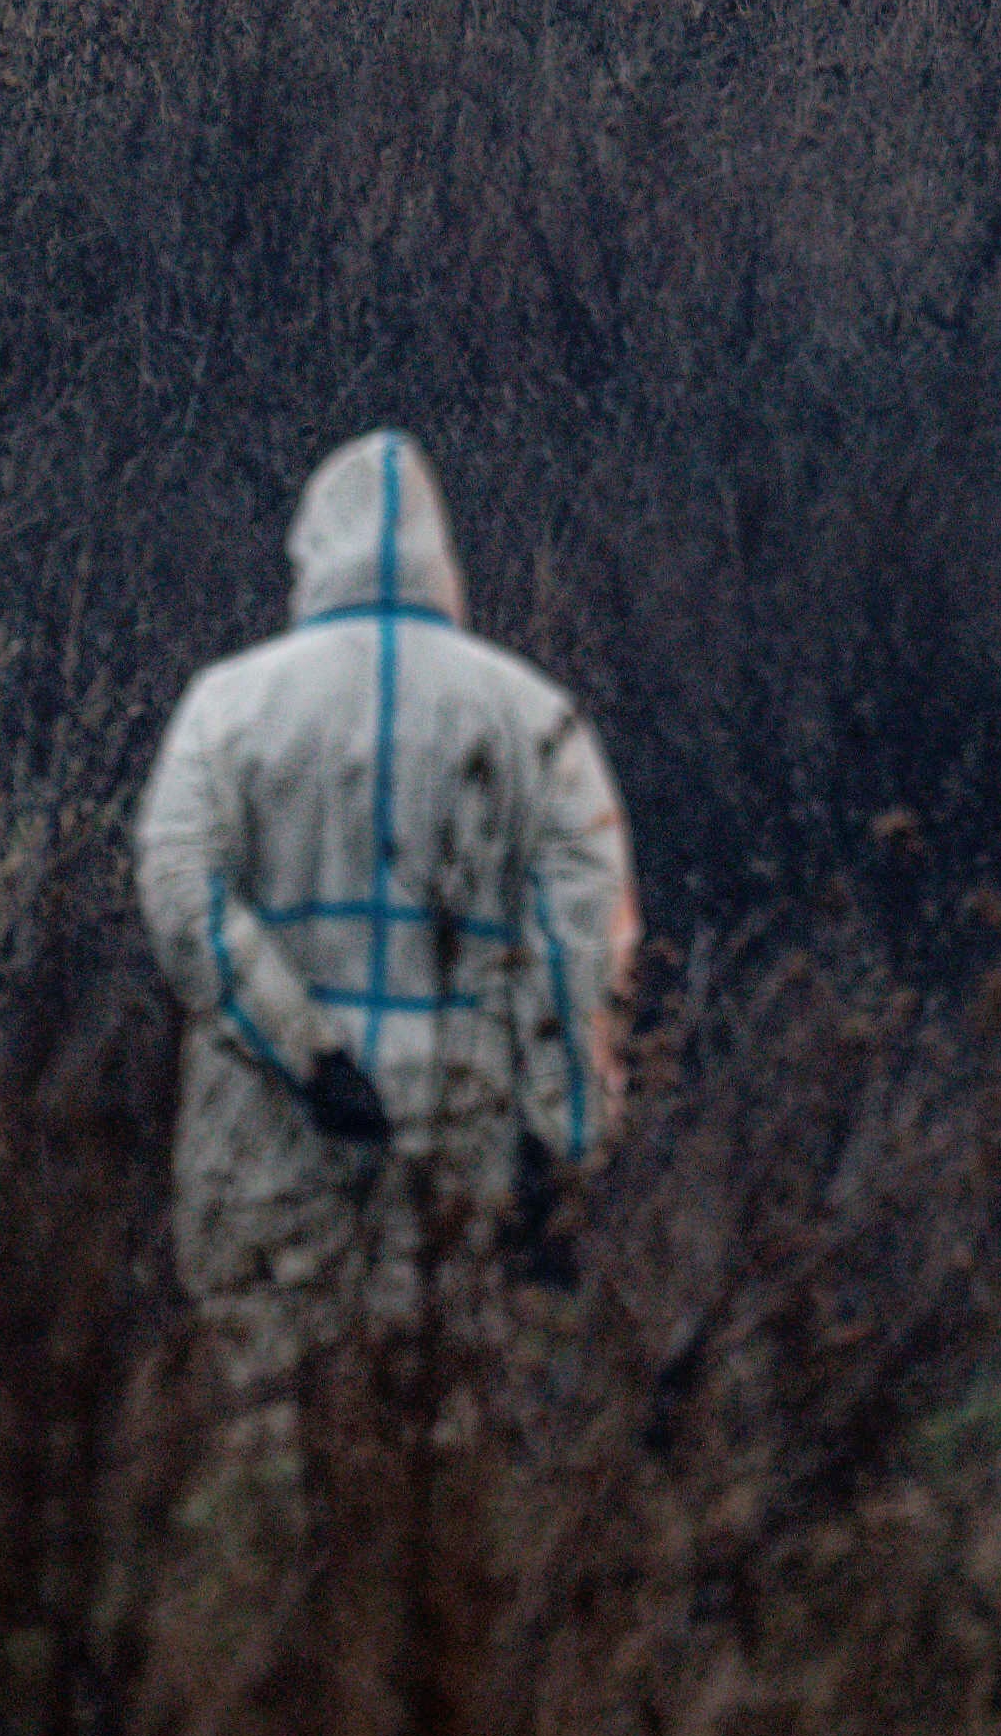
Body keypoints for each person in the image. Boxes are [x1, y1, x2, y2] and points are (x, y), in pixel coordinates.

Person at [131, 431, 635, 1388]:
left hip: (267, 1143)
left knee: (267, 1437)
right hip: (461, 1146)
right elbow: (585, 941)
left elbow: (179, 892)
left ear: (309, 554)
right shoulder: (537, 719)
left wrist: (307, 1050)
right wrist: (565, 1144)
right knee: (441, 1447)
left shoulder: (226, 708)